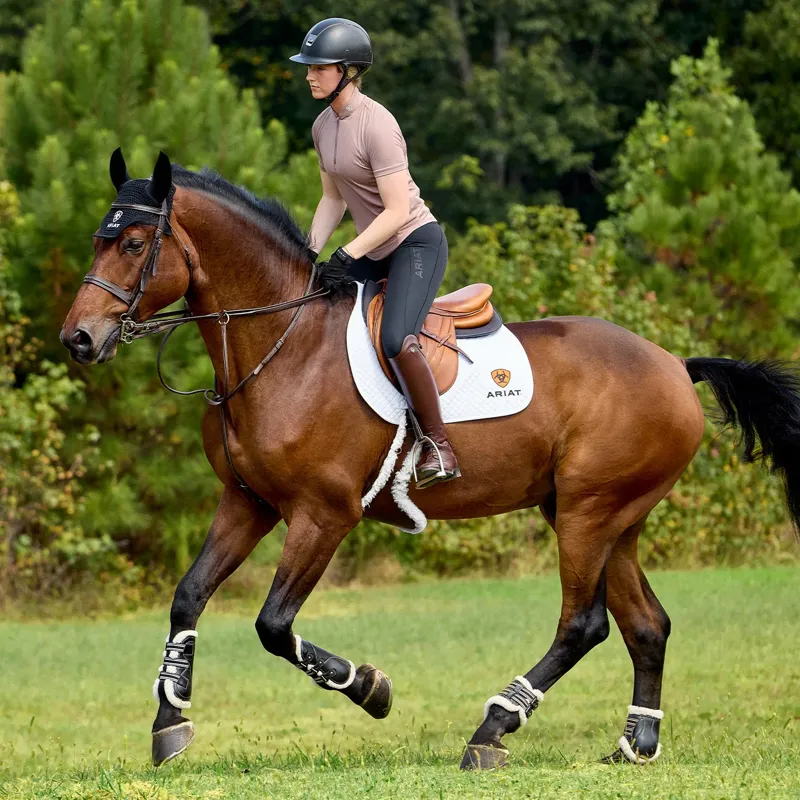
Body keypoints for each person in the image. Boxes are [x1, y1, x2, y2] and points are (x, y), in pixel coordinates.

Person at [290, 18, 460, 489]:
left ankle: (439, 446)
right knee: (316, 307)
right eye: (308, 67)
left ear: (347, 71)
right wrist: (308, 253)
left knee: (396, 338)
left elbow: (398, 210)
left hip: (414, 243)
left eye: (318, 68)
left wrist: (347, 253)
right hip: (373, 246)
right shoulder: (322, 126)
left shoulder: (378, 124)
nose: (309, 75)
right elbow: (333, 199)